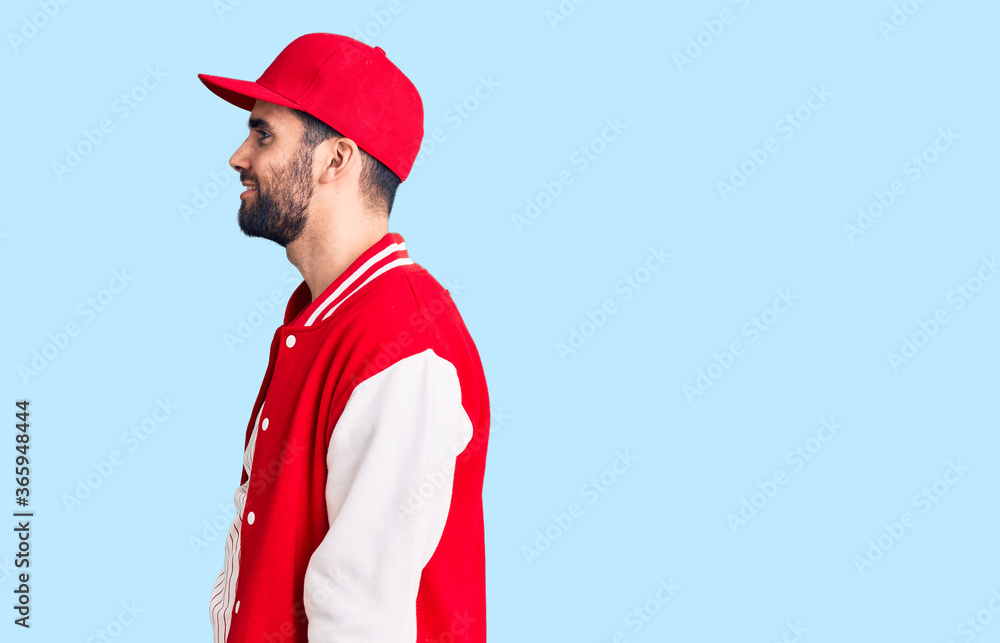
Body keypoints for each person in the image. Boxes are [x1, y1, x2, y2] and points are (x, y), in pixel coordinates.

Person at [197, 33, 491, 643]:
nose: (238, 156)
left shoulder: (404, 343)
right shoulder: (321, 316)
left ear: (336, 160)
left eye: (263, 134)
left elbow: (360, 615)